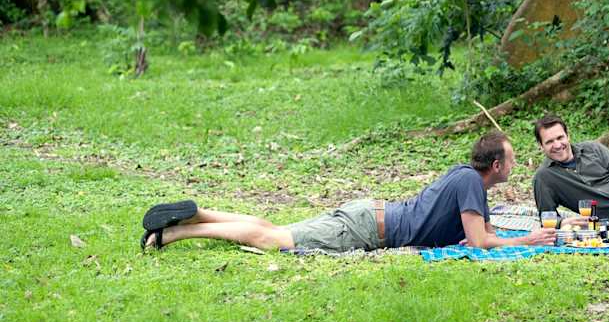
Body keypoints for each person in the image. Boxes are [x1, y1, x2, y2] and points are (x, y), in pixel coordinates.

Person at [140, 131, 557, 252]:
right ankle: (176, 232)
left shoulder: (466, 178)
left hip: (369, 216)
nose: (515, 165)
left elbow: (480, 231)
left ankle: (196, 214)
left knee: (271, 226)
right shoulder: (469, 182)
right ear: (496, 166)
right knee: (273, 239)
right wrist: (527, 240)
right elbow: (481, 241)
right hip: (366, 229)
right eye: (512, 159)